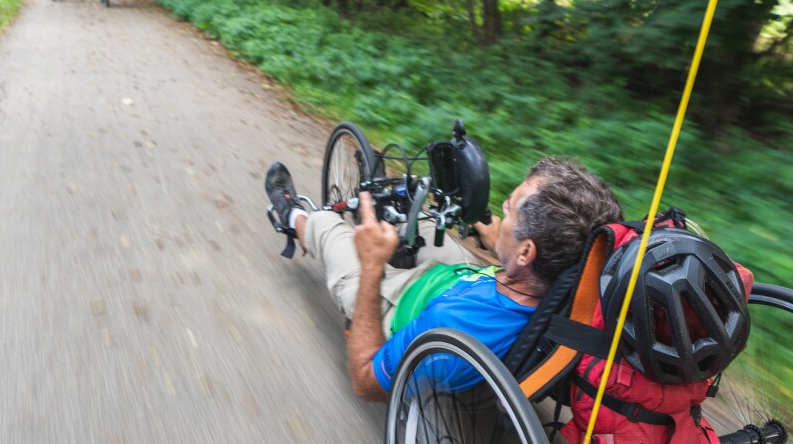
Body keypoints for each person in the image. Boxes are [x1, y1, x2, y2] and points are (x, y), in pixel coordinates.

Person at [265, 158, 623, 401]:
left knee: (328, 227)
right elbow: (510, 279)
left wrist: (374, 265)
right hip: (468, 279)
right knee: (421, 221)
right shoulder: (574, 286)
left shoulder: (453, 326)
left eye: (509, 209)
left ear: (526, 254)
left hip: (401, 304)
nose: (501, 208)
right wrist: (498, 243)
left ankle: (292, 214)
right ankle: (379, 216)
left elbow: (365, 381)